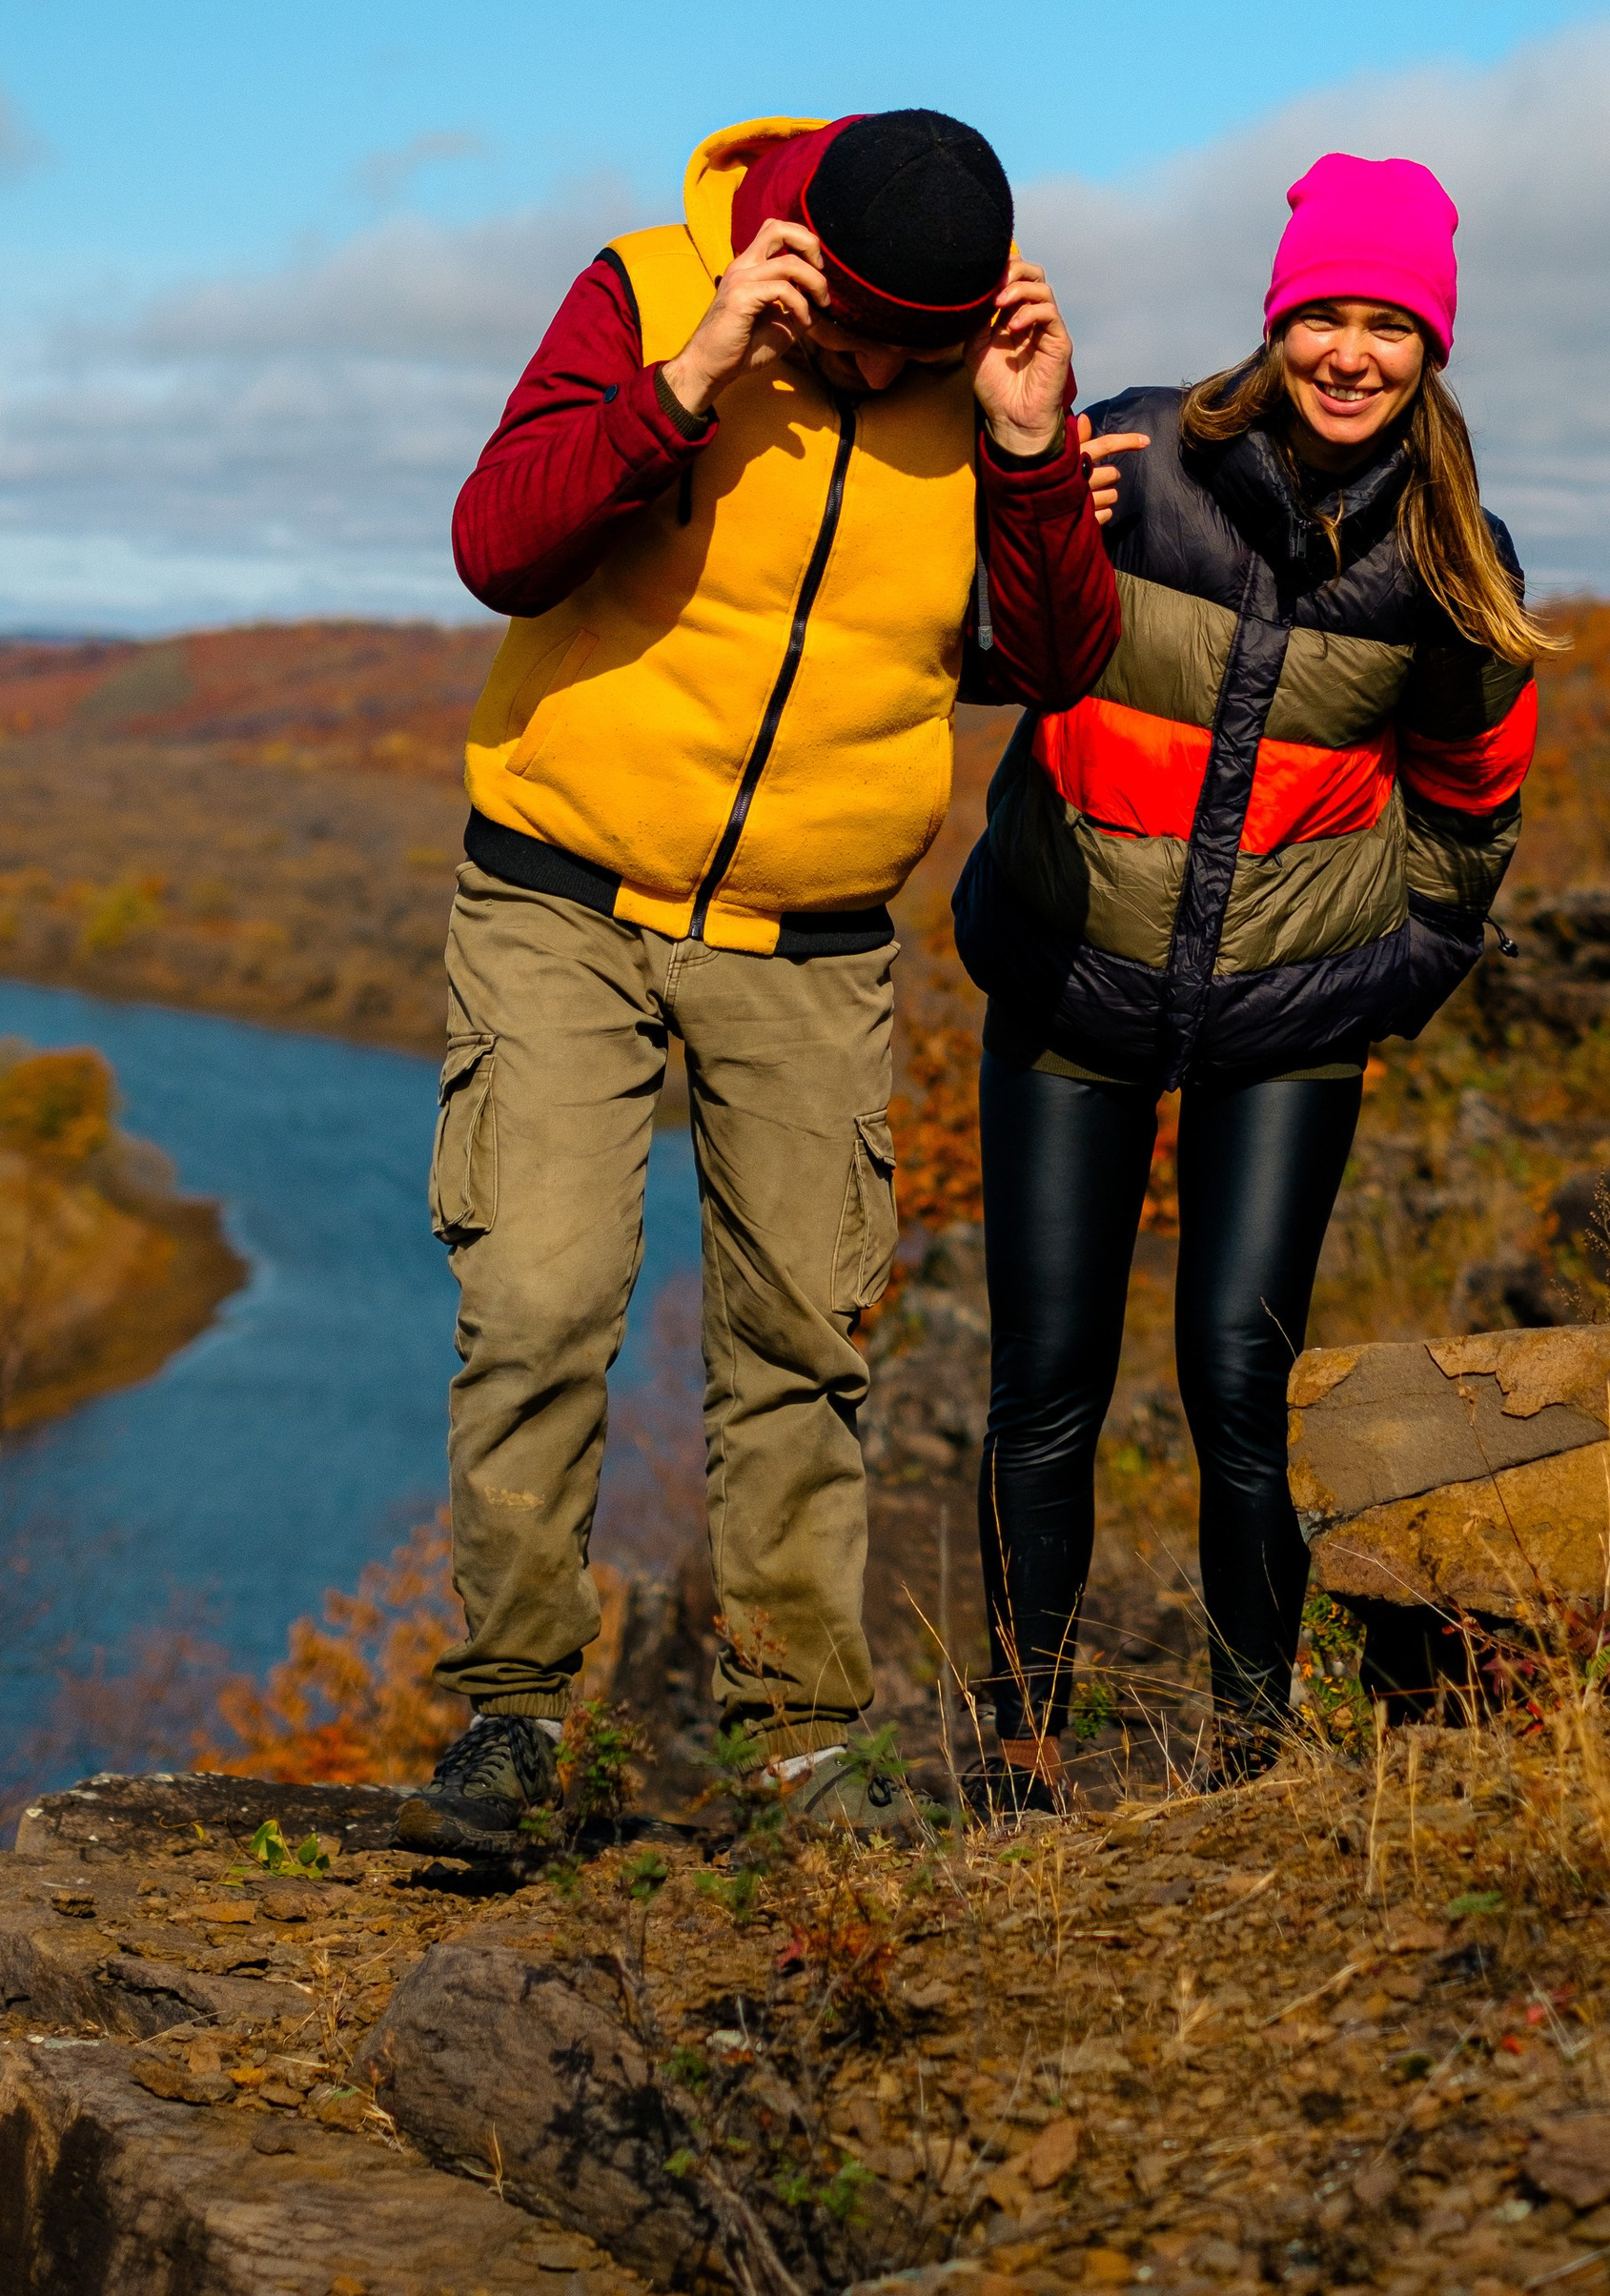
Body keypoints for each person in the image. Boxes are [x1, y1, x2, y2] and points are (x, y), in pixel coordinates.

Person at [403, 109, 1119, 1848]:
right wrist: (690, 378)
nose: (880, 365)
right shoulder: (651, 288)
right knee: (540, 1309)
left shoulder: (984, 374)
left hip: (811, 941)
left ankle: (797, 1751)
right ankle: (506, 1730)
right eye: (861, 330)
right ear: (803, 264)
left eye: (918, 348)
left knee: (804, 1348)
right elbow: (500, 547)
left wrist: (1028, 455)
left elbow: (1045, 661)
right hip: (562, 897)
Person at [951, 150, 1554, 1794]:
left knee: (1238, 1379)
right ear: (1277, 321)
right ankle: (1021, 1748)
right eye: (1324, 317)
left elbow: (1472, 817)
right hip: (1076, 981)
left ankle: (1251, 1756)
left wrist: (1387, 977)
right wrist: (1017, 483)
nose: (1351, 352)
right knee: (1046, 1386)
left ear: (1434, 347)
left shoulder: (1454, 555)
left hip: (1292, 1018)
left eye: (1389, 325)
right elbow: (983, 655)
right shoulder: (1134, 458)